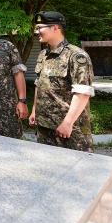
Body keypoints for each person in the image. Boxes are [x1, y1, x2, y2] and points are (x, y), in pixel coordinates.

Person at [29, 11, 94, 152]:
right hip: (44, 125)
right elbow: (39, 84)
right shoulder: (43, 54)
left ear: (55, 28)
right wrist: (34, 110)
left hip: (68, 128)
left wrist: (68, 123)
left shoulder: (76, 56)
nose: (37, 31)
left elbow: (83, 93)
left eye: (40, 27)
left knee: (75, 168)